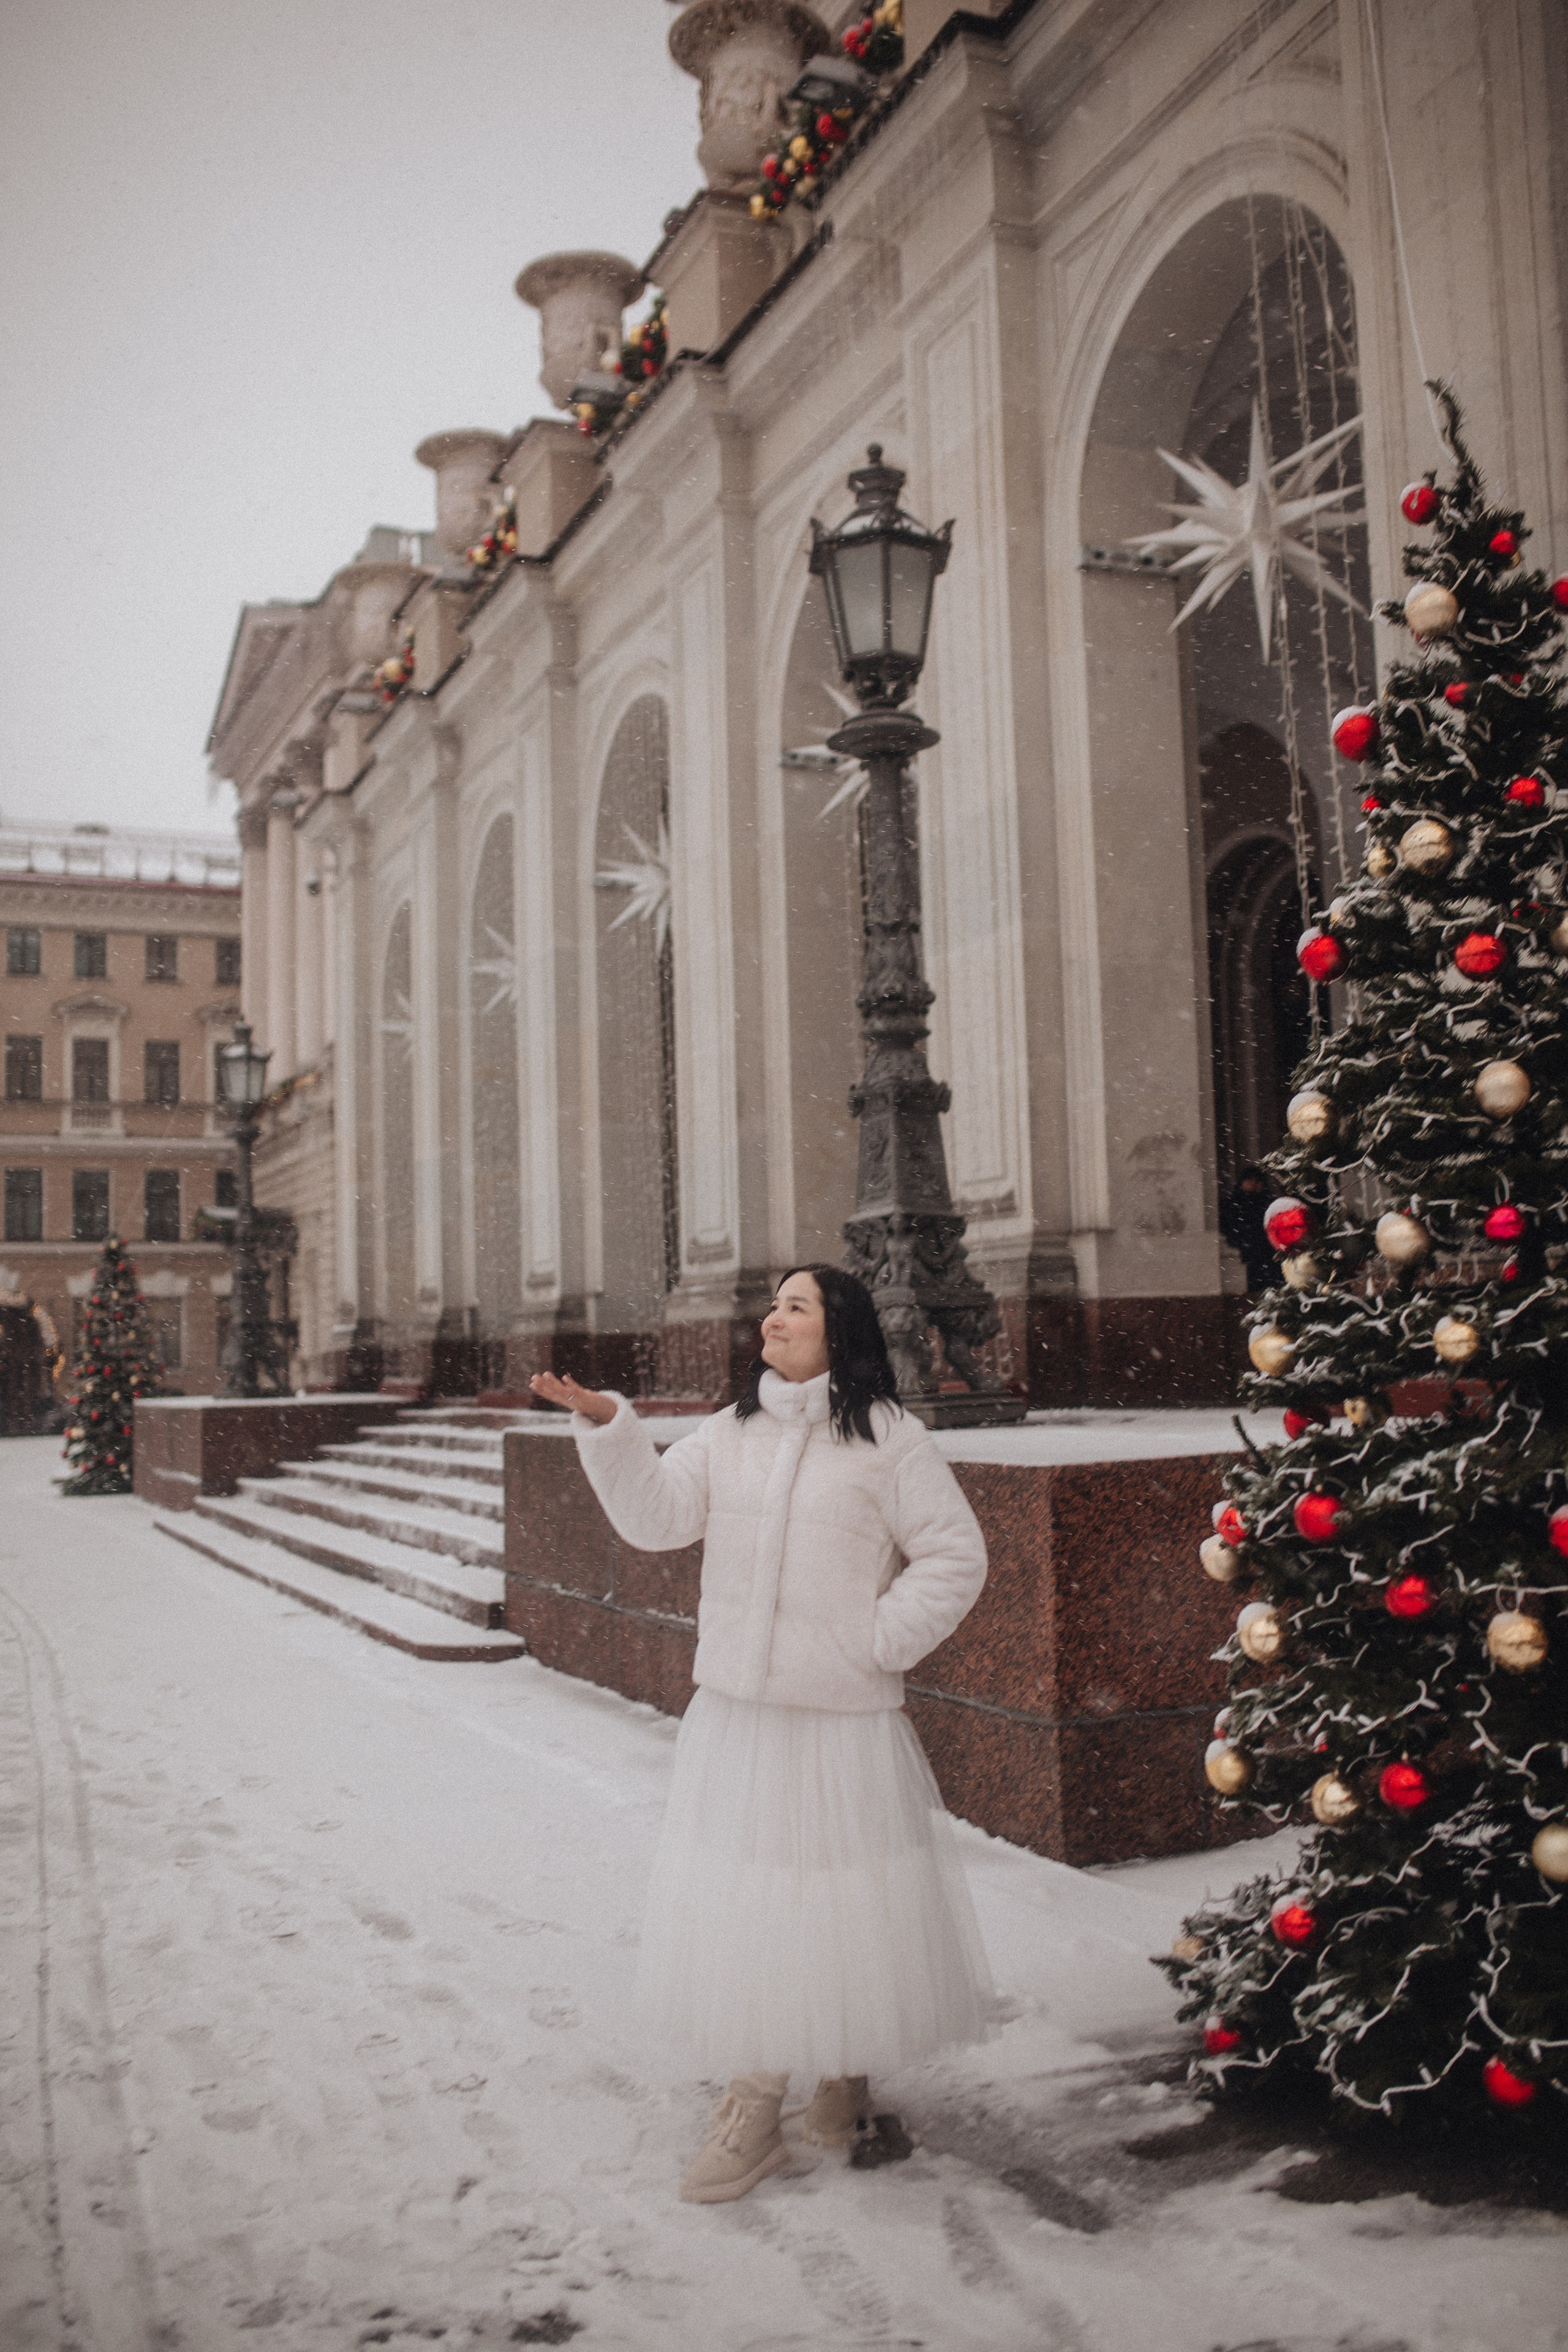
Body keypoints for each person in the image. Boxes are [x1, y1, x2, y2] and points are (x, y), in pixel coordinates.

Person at [529, 1264, 993, 2204]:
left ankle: (842, 2066)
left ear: (840, 1331)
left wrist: (878, 1641)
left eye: (797, 1306)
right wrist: (607, 1425)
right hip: (742, 1712)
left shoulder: (889, 1439)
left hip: (840, 1717)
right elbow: (658, 1520)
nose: (774, 1318)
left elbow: (955, 1554)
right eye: (774, 1304)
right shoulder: (729, 1430)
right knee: (753, 1898)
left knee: (843, 1898)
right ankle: (755, 2096)